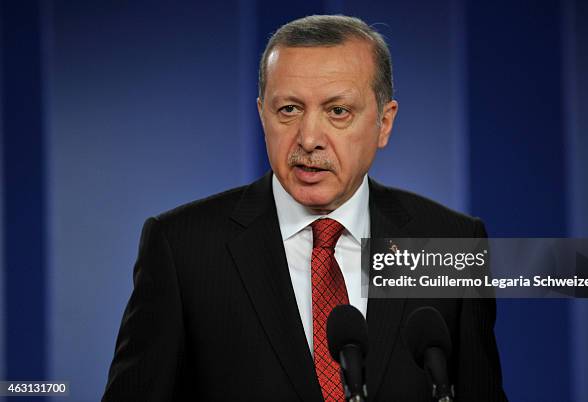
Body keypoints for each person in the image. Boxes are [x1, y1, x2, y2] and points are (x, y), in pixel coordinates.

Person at [102, 15, 507, 401]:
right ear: (263, 115)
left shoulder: (447, 242)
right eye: (289, 110)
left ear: (384, 123)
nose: (309, 138)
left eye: (338, 111)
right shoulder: (183, 249)